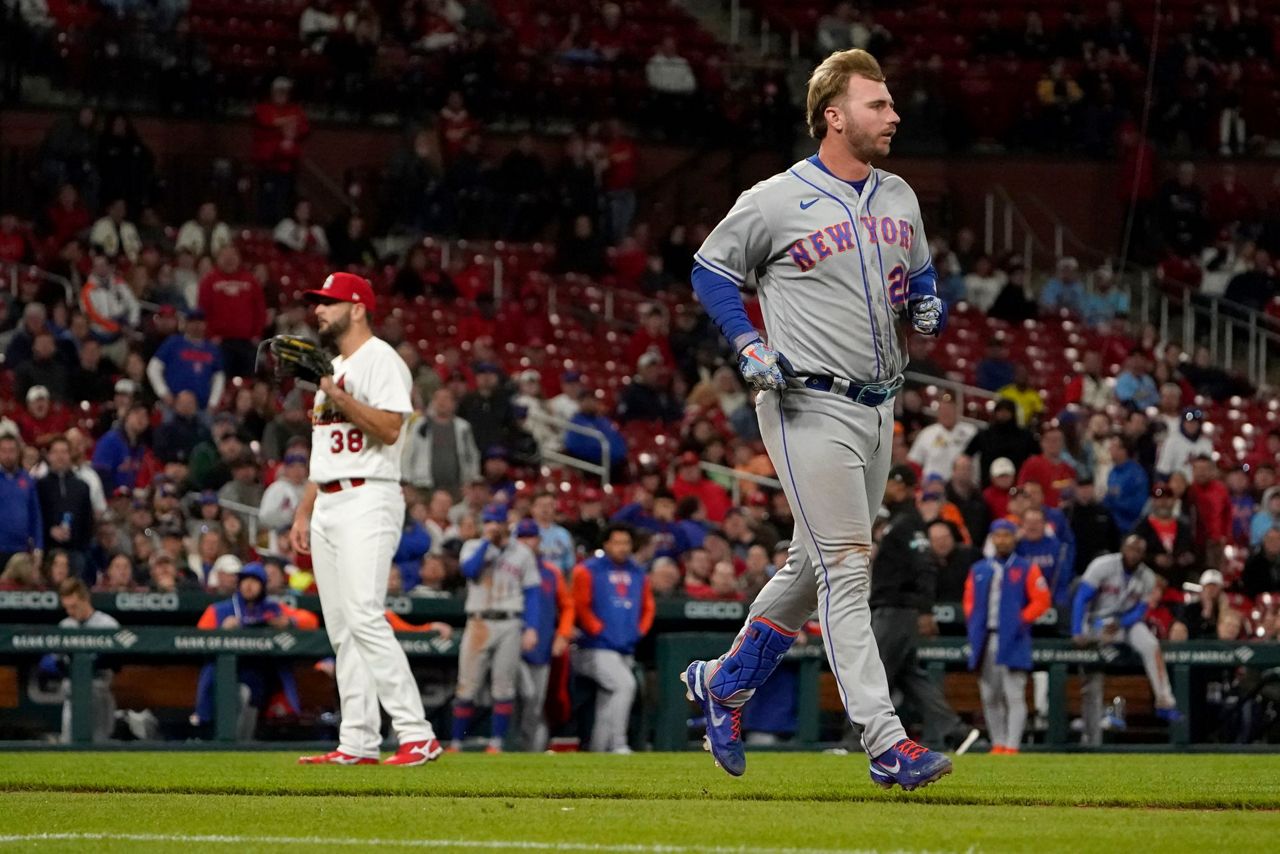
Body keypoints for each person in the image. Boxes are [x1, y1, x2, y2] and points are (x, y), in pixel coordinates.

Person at [679, 48, 954, 790]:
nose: (893, 115)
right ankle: (885, 739)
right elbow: (711, 268)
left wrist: (928, 301)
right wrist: (747, 341)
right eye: (877, 104)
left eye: (891, 103)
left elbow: (921, 274)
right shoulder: (776, 197)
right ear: (834, 116)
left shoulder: (899, 194)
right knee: (845, 569)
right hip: (807, 403)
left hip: (879, 404)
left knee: (809, 568)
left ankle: (726, 682)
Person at [289, 272, 443, 766]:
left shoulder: (381, 359)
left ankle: (417, 733)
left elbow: (390, 428)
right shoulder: (330, 367)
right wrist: (304, 508)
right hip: (330, 499)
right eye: (318, 302)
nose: (319, 311)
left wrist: (337, 394)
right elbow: (322, 449)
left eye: (328, 302)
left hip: (368, 496)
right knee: (342, 629)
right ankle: (357, 741)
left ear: (357, 308)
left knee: (363, 614)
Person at [864, 465, 978, 751]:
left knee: (873, 674)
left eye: (890, 482)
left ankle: (855, 740)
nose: (885, 487)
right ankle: (956, 731)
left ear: (902, 486)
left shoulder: (908, 522)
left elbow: (925, 565)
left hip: (897, 608)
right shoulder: (899, 521)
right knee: (911, 677)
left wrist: (926, 610)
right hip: (893, 607)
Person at [1072, 536, 1181, 747]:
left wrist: (1122, 622)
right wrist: (1077, 630)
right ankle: (1090, 735)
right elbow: (1081, 598)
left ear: (1143, 554)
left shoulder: (1148, 577)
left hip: (1126, 624)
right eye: (1130, 549)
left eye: (1139, 551)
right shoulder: (1102, 566)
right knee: (1092, 672)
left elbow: (1141, 610)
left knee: (1150, 644)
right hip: (1097, 621)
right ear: (1122, 548)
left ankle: (1164, 698)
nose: (1134, 554)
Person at [450, 505, 541, 754]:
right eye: (488, 521)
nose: (492, 525)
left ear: (505, 524)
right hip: (478, 621)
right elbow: (470, 571)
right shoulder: (472, 546)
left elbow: (532, 592)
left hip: (510, 621)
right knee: (466, 685)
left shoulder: (521, 552)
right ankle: (456, 743)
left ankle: (497, 743)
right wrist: (486, 544)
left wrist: (531, 628)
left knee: (503, 685)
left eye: (496, 521)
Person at [963, 520, 1050, 754]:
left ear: (1014, 538)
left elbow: (1042, 599)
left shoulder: (1025, 567)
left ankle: (1012, 745)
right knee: (989, 694)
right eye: (997, 536)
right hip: (985, 637)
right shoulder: (980, 569)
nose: (1002, 540)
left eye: (1006, 536)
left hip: (1013, 638)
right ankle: (997, 743)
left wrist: (1021, 619)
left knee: (1014, 694)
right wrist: (974, 625)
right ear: (992, 538)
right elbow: (969, 602)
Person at [192, 562, 299, 739]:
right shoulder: (220, 609)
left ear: (263, 586)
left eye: (254, 581)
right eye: (245, 580)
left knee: (251, 691)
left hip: (261, 672)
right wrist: (221, 630)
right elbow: (197, 639)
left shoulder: (272, 608)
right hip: (225, 673)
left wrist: (289, 623)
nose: (249, 585)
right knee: (237, 690)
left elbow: (308, 620)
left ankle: (243, 742)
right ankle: (213, 733)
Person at [573, 524, 653, 754]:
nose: (622, 548)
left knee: (609, 698)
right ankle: (618, 743)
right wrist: (598, 630)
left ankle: (600, 751)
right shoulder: (587, 569)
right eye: (617, 542)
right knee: (624, 685)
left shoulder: (638, 572)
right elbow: (580, 606)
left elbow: (648, 607)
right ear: (606, 544)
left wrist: (638, 631)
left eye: (626, 543)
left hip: (626, 647)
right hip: (593, 648)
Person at [513, 518, 574, 752]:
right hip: (512, 644)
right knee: (519, 697)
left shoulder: (551, 572)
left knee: (535, 703)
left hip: (542, 646)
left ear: (539, 540)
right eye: (522, 537)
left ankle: (530, 753)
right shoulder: (508, 568)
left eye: (531, 537)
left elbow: (567, 606)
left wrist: (563, 634)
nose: (527, 542)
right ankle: (507, 748)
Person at [47, 578, 120, 742]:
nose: (70, 612)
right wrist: (61, 665)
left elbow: (115, 663)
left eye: (74, 606)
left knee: (99, 745)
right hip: (71, 694)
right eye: (67, 608)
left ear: (85, 599)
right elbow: (50, 661)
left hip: (98, 692)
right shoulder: (65, 626)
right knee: (69, 744)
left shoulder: (107, 625)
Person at [403, 388, 481, 501]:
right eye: (437, 399)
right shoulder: (420, 425)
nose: (441, 402)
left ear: (454, 403)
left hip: (456, 488)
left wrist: (471, 481)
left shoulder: (463, 427)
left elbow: (472, 456)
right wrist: (407, 481)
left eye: (446, 399)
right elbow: (408, 453)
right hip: (424, 486)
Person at [37, 436, 94, 583]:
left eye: (64, 452)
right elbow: (36, 517)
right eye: (55, 452)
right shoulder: (39, 486)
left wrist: (76, 538)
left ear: (70, 455)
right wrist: (50, 530)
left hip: (75, 550)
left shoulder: (82, 486)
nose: (60, 457)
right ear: (48, 456)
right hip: (47, 550)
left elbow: (87, 520)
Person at [146, 309, 226, 414]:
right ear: (186, 324)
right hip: (173, 406)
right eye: (192, 321)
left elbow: (219, 377)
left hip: (201, 408)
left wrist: (213, 403)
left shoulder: (212, 349)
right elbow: (153, 368)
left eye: (200, 321)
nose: (196, 325)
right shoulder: (173, 342)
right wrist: (163, 393)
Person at [1132, 482, 1198, 588]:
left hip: (1178, 584)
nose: (1163, 502)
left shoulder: (1183, 527)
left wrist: (1186, 558)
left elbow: (1193, 552)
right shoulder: (1142, 527)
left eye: (1167, 498)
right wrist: (1154, 559)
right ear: (1153, 501)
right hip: (1148, 585)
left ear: (1174, 501)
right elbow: (1132, 554)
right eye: (1159, 499)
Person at [907, 397, 976, 482]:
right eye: (943, 410)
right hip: (934, 488)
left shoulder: (970, 432)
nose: (947, 413)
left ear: (957, 411)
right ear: (938, 413)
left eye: (950, 410)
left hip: (963, 486)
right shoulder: (927, 433)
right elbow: (914, 462)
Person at [0, 434, 43, 570]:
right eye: (4, 450)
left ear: (19, 452)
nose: (8, 455)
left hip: (21, 550)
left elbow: (35, 515)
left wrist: (38, 547)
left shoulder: (27, 480)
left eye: (12, 450)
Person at [1155, 408, 1213, 481]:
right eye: (1189, 422)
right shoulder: (1172, 441)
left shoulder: (1206, 443)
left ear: (1199, 424)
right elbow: (1163, 471)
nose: (1192, 425)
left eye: (1195, 422)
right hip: (1179, 487)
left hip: (1201, 486)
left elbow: (1210, 471)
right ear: (1183, 423)